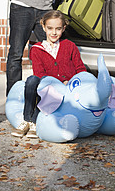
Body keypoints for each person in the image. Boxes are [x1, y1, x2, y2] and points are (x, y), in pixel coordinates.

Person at [11, 10, 87, 138]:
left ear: (63, 28)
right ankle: (27, 120)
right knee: (32, 80)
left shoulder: (70, 46)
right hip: (46, 87)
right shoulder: (36, 49)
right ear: (43, 27)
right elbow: (40, 74)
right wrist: (56, 83)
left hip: (66, 88)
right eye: (50, 28)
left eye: (58, 29)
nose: (54, 33)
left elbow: (80, 69)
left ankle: (34, 122)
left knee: (48, 90)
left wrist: (73, 82)